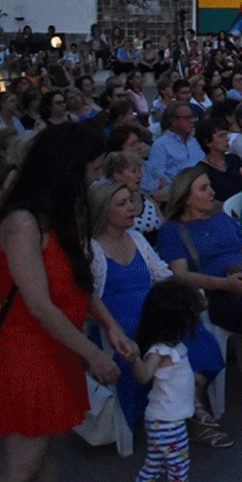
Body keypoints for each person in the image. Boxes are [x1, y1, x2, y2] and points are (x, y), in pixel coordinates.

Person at [0, 124, 135, 482]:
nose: (90, 181)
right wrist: (92, 353)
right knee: (18, 468)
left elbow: (77, 285)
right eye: (87, 171)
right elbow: (39, 303)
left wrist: (108, 324)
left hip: (59, 346)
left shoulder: (55, 214)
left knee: (47, 455)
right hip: (28, 352)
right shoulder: (21, 221)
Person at [89, 180, 229, 449]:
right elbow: (88, 301)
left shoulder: (138, 239)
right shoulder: (92, 249)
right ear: (103, 211)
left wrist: (189, 296)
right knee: (158, 340)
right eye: (122, 204)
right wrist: (110, 325)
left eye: (131, 200)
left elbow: (163, 275)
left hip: (154, 310)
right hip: (117, 321)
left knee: (192, 334)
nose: (132, 207)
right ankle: (193, 416)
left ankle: (184, 410)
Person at [157, 164, 242, 421]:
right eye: (204, 188)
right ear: (187, 197)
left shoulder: (220, 217)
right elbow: (181, 275)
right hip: (215, 291)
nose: (212, 192)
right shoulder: (173, 231)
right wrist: (224, 284)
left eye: (210, 186)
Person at [118, 279, 214, 482]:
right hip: (168, 424)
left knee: (154, 466)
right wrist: (135, 357)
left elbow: (172, 375)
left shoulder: (172, 347)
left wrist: (192, 380)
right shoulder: (160, 350)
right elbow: (144, 376)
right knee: (179, 471)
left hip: (162, 422)